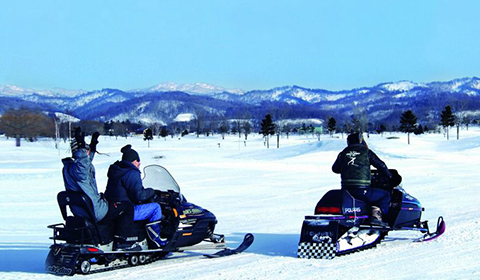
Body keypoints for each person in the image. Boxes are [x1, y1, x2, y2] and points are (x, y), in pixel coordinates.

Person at [62, 128, 135, 247]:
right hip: (96, 211)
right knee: (126, 207)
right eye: (86, 151)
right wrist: (81, 145)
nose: (88, 153)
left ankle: (108, 235)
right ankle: (121, 240)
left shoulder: (69, 167)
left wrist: (93, 144)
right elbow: (83, 164)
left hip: (82, 211)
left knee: (113, 204)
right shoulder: (80, 171)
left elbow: (86, 162)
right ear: (80, 152)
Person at [105, 144, 167, 248]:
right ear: (133, 161)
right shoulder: (131, 173)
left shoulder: (117, 170)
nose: (139, 163)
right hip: (127, 211)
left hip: (114, 208)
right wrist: (152, 192)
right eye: (138, 160)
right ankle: (156, 240)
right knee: (155, 208)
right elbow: (139, 195)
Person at [332, 132, 392, 226]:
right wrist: (389, 175)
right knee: (385, 195)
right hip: (362, 189)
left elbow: (335, 169)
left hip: (346, 190)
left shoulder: (342, 153)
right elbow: (381, 165)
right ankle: (376, 216)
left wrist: (347, 167)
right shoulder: (366, 152)